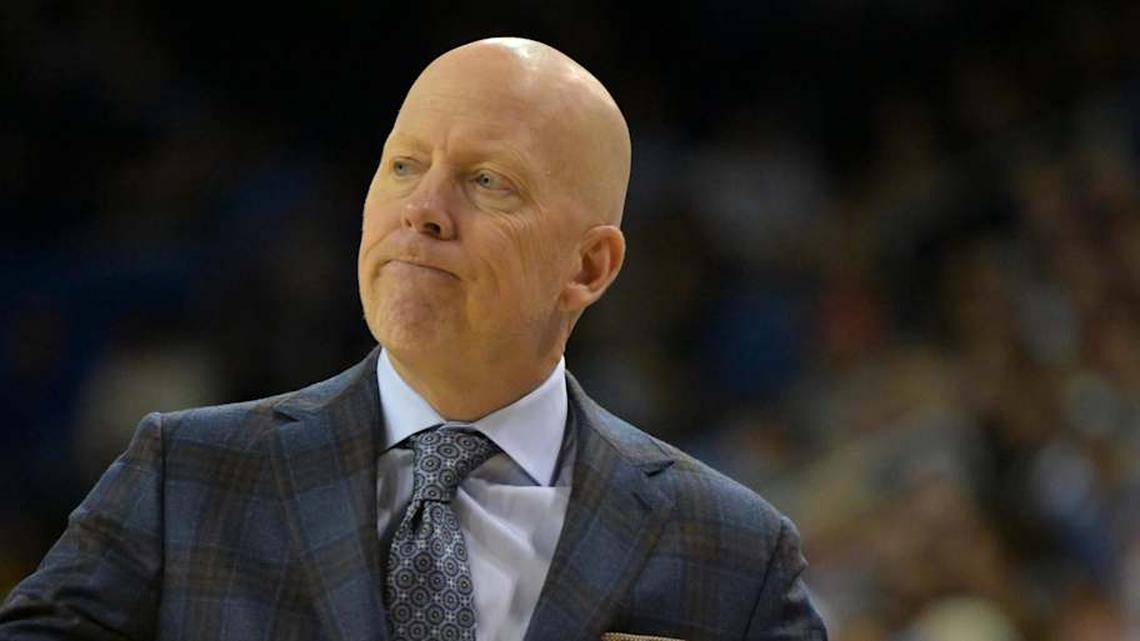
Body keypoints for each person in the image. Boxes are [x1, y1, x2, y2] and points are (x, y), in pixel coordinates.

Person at [0, 37, 827, 641]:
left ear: (589, 265)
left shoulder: (734, 551)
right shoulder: (184, 475)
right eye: (403, 166)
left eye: (486, 182)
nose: (421, 208)